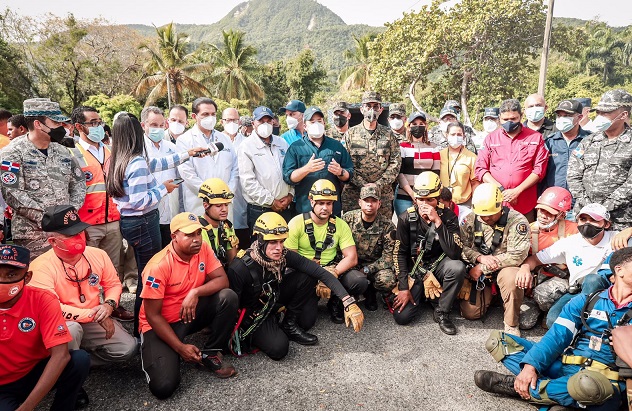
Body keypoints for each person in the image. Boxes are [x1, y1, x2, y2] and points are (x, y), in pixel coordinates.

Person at [473, 246, 632, 411]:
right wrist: (530, 367)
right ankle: (558, 396)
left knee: (589, 387)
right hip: (567, 367)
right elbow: (557, 336)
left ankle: (520, 388)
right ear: (619, 270)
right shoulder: (587, 301)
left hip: (605, 380)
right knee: (498, 342)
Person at [106, 113, 208, 336]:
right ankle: (145, 329)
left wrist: (187, 154)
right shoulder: (136, 162)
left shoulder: (118, 159)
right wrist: (164, 189)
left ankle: (142, 327)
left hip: (130, 223)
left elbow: (157, 163)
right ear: (136, 133)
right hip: (143, 221)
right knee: (148, 277)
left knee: (145, 273)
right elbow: (140, 201)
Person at [226, 212, 364, 359]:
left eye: (282, 241)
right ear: (259, 240)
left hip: (273, 298)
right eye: (273, 242)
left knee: (308, 280)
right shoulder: (240, 267)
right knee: (279, 349)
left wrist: (347, 301)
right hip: (253, 313)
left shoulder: (284, 255)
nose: (279, 247)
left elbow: (320, 272)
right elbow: (232, 307)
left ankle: (289, 324)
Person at [139, 212, 239, 399]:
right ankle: (156, 350)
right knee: (164, 387)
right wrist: (180, 348)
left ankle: (210, 353)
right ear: (173, 237)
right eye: (189, 235)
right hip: (161, 324)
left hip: (188, 313)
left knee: (228, 297)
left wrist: (195, 292)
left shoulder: (203, 249)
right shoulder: (157, 266)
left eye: (198, 233)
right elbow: (153, 316)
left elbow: (222, 280)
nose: (196, 240)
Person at [29, 205, 137, 367]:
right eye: (71, 235)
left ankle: (78, 361)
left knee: (128, 348)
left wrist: (109, 305)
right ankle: (63, 367)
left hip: (92, 318)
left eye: (80, 231)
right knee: (72, 330)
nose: (79, 237)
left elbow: (113, 284)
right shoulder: (39, 267)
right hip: (61, 322)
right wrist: (94, 315)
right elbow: (51, 309)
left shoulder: (97, 254)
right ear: (52, 241)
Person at [0, 244, 90, 411]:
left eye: (11, 274)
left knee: (79, 360)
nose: (3, 281)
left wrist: (26, 408)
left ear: (27, 277)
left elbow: (60, 355)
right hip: (2, 386)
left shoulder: (42, 299)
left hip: (33, 371)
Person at [1, 98, 86, 260]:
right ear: (39, 124)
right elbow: (13, 193)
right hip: (33, 236)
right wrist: (49, 218)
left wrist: (69, 212)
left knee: (68, 279)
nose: (61, 127)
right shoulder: (12, 153)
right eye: (55, 122)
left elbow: (79, 183)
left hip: (67, 230)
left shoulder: (62, 151)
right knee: (39, 281)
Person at [68, 106, 131, 321]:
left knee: (113, 269)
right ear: (79, 127)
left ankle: (115, 305)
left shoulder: (110, 150)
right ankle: (91, 311)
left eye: (99, 121)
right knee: (87, 270)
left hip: (112, 220)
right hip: (87, 223)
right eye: (92, 123)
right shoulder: (72, 153)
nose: (98, 126)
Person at [516, 203, 615, 329]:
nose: (587, 224)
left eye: (594, 220)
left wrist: (628, 231)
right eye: (583, 219)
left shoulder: (616, 238)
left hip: (607, 293)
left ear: (606, 224)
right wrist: (524, 268)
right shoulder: (569, 242)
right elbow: (535, 259)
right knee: (553, 320)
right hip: (578, 291)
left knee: (592, 279)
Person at [392, 172, 465, 335]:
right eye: (420, 200)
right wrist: (404, 288)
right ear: (415, 198)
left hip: (439, 266)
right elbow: (399, 254)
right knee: (402, 317)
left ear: (438, 198)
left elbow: (455, 252)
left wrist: (438, 222)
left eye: (430, 200)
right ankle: (425, 297)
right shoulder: (406, 218)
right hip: (415, 270)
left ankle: (442, 312)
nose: (424, 204)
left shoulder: (448, 216)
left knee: (458, 267)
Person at [285, 180, 366, 324]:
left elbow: (352, 258)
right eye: (321, 203)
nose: (325, 208)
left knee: (358, 281)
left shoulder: (340, 225)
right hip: (306, 274)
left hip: (332, 269)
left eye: (329, 204)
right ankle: (309, 299)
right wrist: (316, 274)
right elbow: (291, 260)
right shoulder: (296, 223)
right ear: (311, 201)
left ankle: (335, 302)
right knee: (305, 322)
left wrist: (333, 273)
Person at [459, 183, 531, 336]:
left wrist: (483, 267)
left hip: (506, 268)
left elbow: (517, 255)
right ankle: (494, 298)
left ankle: (511, 323)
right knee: (470, 313)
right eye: (482, 215)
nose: (486, 218)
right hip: (481, 274)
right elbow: (462, 247)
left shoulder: (517, 221)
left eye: (491, 214)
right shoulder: (471, 219)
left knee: (512, 279)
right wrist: (478, 257)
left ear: (500, 206)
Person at [567, 89, 632, 231]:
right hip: (586, 218)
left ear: (623, 115)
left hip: (619, 222)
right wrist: (588, 205)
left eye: (605, 113)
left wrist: (603, 208)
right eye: (598, 112)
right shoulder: (588, 141)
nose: (599, 116)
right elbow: (573, 174)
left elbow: (630, 185)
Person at [475, 98, 549, 222]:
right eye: (505, 119)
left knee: (524, 238)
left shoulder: (536, 138)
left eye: (513, 119)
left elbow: (539, 170)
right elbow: (480, 169)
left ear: (521, 116)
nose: (509, 122)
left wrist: (517, 191)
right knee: (495, 240)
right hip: (495, 203)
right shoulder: (491, 138)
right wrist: (502, 190)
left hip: (524, 203)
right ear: (499, 118)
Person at [282, 106, 353, 217]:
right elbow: (288, 177)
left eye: (319, 121)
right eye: (312, 122)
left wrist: (341, 172)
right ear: (305, 126)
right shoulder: (296, 148)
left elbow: (349, 174)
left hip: (332, 209)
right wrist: (307, 169)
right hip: (305, 209)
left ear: (324, 123)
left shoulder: (336, 146)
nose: (316, 124)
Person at [343, 91, 401, 218]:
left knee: (383, 232)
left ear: (381, 110)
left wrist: (378, 184)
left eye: (375, 106)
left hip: (382, 195)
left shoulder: (388, 135)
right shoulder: (350, 134)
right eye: (368, 106)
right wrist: (362, 184)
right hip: (355, 194)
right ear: (362, 109)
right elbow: (345, 163)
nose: (372, 110)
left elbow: (395, 163)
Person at [176, 97, 238, 216]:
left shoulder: (224, 138)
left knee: (225, 233)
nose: (210, 117)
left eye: (213, 114)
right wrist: (211, 195)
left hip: (225, 201)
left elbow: (235, 169)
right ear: (194, 117)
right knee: (201, 233)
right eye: (205, 114)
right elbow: (188, 174)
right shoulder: (184, 140)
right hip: (199, 202)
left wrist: (228, 192)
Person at [527, 187, 579, 324]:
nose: (543, 216)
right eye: (541, 210)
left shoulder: (574, 230)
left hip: (563, 279)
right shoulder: (529, 230)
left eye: (549, 213)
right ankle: (540, 307)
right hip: (537, 279)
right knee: (525, 323)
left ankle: (554, 311)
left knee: (543, 295)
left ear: (562, 214)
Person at [238, 106, 294, 232]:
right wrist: (271, 201)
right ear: (253, 123)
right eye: (261, 121)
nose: (266, 124)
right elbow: (248, 181)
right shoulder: (246, 147)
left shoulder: (282, 143)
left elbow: (291, 170)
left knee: (284, 247)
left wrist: (291, 194)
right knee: (261, 248)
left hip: (285, 207)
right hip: (260, 209)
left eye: (268, 121)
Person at [342, 184, 396, 311]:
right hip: (351, 264)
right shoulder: (347, 219)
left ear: (379, 203)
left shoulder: (388, 225)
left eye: (373, 201)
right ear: (360, 202)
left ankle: (372, 291)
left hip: (375, 266)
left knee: (387, 280)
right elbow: (338, 247)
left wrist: (367, 269)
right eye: (366, 200)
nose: (369, 204)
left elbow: (388, 257)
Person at [141, 106, 181, 248]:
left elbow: (179, 175)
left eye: (161, 125)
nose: (158, 129)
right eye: (153, 125)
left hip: (170, 210)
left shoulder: (172, 147)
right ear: (143, 125)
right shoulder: (138, 148)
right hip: (147, 211)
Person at [393, 111, 440, 217]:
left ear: (426, 126)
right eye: (414, 124)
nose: (418, 127)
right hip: (404, 197)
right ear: (409, 126)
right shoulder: (402, 146)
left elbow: (436, 173)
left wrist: (423, 196)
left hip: (427, 198)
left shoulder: (433, 147)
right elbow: (400, 173)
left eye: (421, 124)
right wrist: (413, 194)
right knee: (405, 229)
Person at [540, 99, 591, 195]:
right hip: (553, 200)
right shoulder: (549, 142)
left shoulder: (589, 141)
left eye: (567, 116)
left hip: (580, 199)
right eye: (559, 116)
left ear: (579, 117)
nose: (562, 119)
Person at [221, 107, 249, 247]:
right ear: (222, 122)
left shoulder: (246, 142)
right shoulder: (217, 142)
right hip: (222, 195)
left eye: (235, 120)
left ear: (239, 122)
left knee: (242, 239)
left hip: (242, 198)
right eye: (228, 120)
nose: (232, 123)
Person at [197, 178, 239, 268]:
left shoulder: (227, 226)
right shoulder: (198, 230)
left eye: (226, 205)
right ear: (206, 205)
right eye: (218, 205)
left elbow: (233, 261)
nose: (224, 209)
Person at [439, 121, 479, 207]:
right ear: (447, 135)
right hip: (442, 203)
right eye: (453, 134)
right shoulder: (439, 155)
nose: (456, 137)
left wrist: (475, 203)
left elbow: (475, 183)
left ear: (464, 136)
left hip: (464, 204)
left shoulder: (472, 157)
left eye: (459, 134)